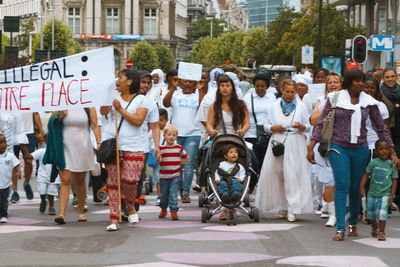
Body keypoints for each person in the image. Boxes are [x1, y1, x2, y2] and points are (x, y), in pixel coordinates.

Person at [308, 68, 398, 241]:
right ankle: (340, 228)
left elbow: (381, 128)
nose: (361, 84)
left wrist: (392, 151)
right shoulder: (335, 98)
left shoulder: (369, 102)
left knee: (356, 188)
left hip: (360, 148)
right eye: (357, 81)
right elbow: (321, 123)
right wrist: (311, 146)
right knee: (342, 184)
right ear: (349, 82)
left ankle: (353, 225)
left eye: (362, 80)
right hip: (337, 147)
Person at [256, 79, 313, 222]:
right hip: (277, 141)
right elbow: (267, 125)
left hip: (294, 141)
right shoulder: (274, 106)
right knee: (278, 173)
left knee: (293, 174)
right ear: (282, 90)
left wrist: (301, 126)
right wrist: (274, 128)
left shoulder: (301, 107)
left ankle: (293, 207)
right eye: (287, 91)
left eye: (292, 92)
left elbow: (308, 127)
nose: (289, 94)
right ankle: (283, 204)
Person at [101, 69, 148, 231]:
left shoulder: (141, 99)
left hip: (134, 146)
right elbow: (103, 112)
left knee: (130, 180)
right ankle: (114, 218)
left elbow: (138, 121)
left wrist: (120, 109)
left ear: (129, 82)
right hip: (113, 145)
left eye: (120, 77)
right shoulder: (113, 96)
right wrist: (107, 98)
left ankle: (129, 205)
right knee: (113, 183)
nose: (117, 80)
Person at [51, 106, 101, 225]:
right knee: (66, 179)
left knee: (80, 180)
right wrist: (60, 116)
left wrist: (99, 142)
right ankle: (61, 214)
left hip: (83, 145)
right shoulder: (60, 104)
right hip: (64, 146)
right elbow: (51, 123)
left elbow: (95, 125)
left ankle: (80, 212)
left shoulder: (88, 106)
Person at [309, 73, 342, 227]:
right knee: (329, 181)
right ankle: (332, 214)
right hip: (325, 145)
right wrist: (328, 107)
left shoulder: (347, 100)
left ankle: (343, 211)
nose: (333, 85)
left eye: (336, 82)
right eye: (330, 83)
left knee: (342, 181)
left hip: (343, 144)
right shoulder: (322, 101)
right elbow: (313, 121)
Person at [163, 78, 201, 203]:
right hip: (175, 135)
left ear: (194, 84)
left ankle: (185, 193)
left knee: (188, 165)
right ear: (181, 83)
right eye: (185, 81)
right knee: (175, 163)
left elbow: (202, 108)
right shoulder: (175, 94)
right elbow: (166, 103)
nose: (188, 84)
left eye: (191, 82)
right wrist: (172, 88)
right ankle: (177, 187)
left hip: (193, 134)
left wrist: (201, 91)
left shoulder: (197, 96)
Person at [243, 73, 276, 194]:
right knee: (253, 162)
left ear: (267, 86)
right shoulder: (248, 97)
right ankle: (250, 186)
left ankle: (263, 189)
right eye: (257, 86)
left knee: (265, 163)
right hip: (251, 134)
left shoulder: (272, 97)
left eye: (262, 86)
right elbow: (243, 114)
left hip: (267, 134)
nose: (260, 88)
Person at [360, 139, 398, 241]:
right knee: (371, 214)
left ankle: (381, 231)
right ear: (376, 151)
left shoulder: (392, 164)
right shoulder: (373, 163)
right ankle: (374, 226)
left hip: (385, 194)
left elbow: (394, 181)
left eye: (386, 149)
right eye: (381, 149)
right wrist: (362, 186)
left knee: (382, 213)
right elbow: (366, 174)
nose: (384, 151)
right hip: (372, 193)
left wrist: (392, 195)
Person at [135, 70, 160, 212]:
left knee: (138, 179)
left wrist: (156, 145)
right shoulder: (126, 98)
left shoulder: (151, 102)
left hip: (142, 146)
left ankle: (134, 209)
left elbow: (155, 126)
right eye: (143, 82)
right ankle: (122, 207)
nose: (146, 85)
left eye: (148, 83)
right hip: (123, 145)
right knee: (125, 179)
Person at [11, 112, 44, 202]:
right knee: (13, 162)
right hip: (12, 131)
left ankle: (27, 182)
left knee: (28, 160)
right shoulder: (10, 98)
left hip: (28, 132)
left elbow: (36, 113)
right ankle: (14, 191)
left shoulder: (30, 98)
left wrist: (40, 131)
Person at [158, 124, 188, 220]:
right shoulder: (161, 148)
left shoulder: (179, 148)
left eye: (174, 135)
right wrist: (158, 157)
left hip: (175, 176)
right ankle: (163, 209)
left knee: (173, 194)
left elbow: (186, 157)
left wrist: (179, 163)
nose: (171, 137)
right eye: (169, 134)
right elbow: (158, 160)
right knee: (163, 195)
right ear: (164, 136)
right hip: (164, 176)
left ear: (176, 137)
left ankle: (174, 211)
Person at [380, 67, 400, 208]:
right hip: (388, 133)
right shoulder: (380, 93)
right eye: (387, 77)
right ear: (383, 78)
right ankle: (387, 198)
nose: (391, 79)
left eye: (393, 76)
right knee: (389, 165)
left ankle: (397, 198)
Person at [31, 134, 60, 215]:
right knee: (42, 191)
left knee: (51, 192)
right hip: (42, 175)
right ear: (45, 141)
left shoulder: (57, 152)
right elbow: (31, 156)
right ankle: (43, 201)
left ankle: (51, 206)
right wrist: (27, 155)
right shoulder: (42, 151)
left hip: (53, 175)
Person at [149, 108, 168, 206]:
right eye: (157, 120)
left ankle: (166, 196)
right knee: (158, 179)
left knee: (167, 179)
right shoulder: (151, 131)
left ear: (166, 120)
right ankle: (160, 197)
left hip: (167, 159)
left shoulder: (169, 131)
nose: (159, 123)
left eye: (161, 120)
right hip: (156, 158)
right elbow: (147, 142)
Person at [0, 134, 20, 223]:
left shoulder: (10, 156)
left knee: (4, 201)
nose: (3, 144)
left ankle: (4, 215)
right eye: (0, 143)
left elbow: (17, 164)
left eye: (4, 142)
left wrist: (18, 171)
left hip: (6, 184)